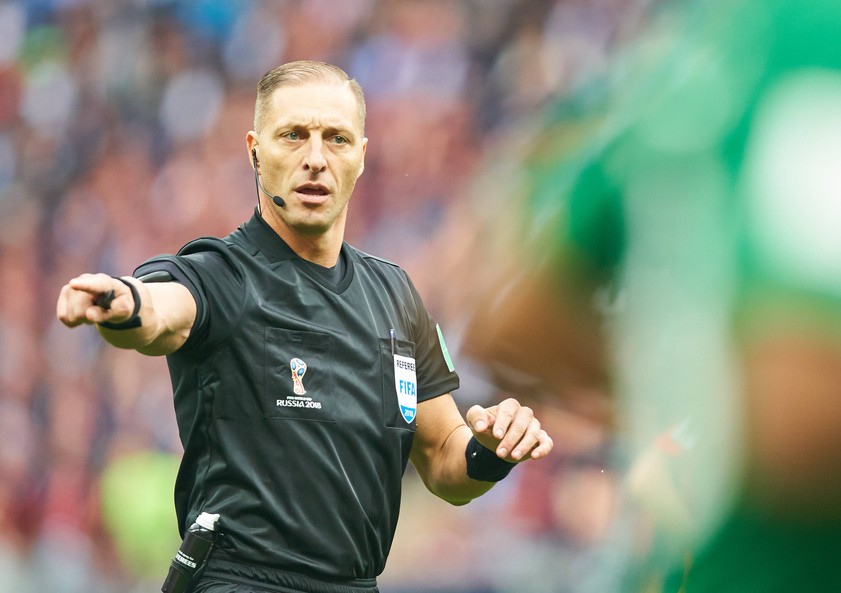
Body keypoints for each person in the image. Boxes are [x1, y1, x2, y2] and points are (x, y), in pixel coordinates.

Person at [56, 60, 553, 593]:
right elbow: (164, 312)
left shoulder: (395, 296)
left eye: (336, 139)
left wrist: (491, 449)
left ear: (361, 157)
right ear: (254, 150)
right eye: (293, 136)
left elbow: (442, 461)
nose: (315, 159)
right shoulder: (224, 274)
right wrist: (127, 303)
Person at [448, 0, 841, 591]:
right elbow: (801, 405)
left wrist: (695, 387)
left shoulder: (708, 46)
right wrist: (720, 394)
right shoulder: (835, 32)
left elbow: (515, 317)